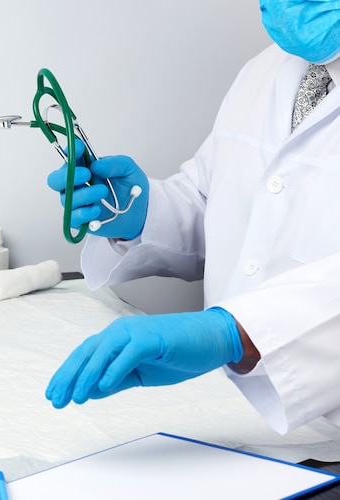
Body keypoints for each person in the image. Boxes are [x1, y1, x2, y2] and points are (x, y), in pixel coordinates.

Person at [44, 0, 340, 435]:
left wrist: (236, 332)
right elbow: (219, 203)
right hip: (230, 418)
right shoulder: (265, 70)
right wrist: (141, 214)